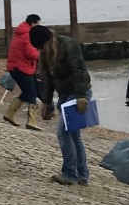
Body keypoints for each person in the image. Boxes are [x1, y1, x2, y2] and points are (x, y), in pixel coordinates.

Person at [37, 24, 93, 185]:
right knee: (74, 136)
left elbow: (78, 70)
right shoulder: (46, 53)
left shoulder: (69, 45)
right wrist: (47, 103)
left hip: (78, 94)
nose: (42, 50)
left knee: (63, 133)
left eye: (42, 46)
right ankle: (82, 176)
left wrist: (82, 96)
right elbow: (47, 79)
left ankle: (69, 174)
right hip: (64, 95)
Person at [3, 16, 42, 127]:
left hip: (17, 67)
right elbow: (31, 54)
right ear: (33, 24)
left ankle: (9, 114)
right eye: (38, 24)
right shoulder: (28, 35)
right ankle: (32, 121)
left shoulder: (20, 33)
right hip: (22, 68)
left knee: (27, 92)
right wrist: (40, 54)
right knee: (32, 93)